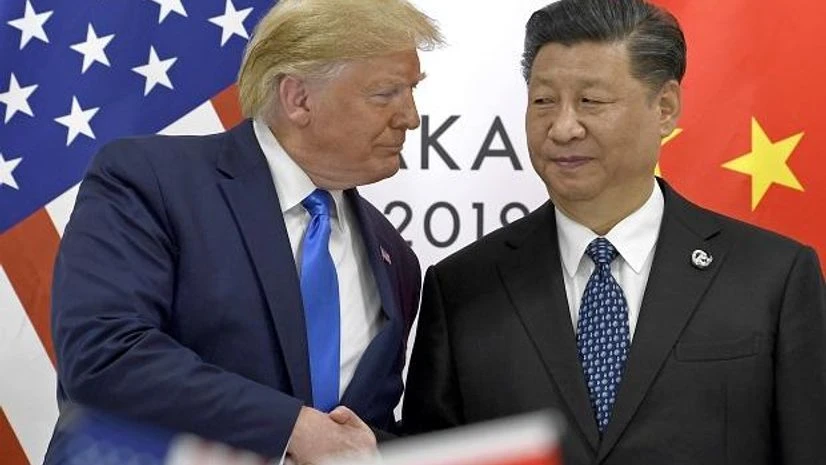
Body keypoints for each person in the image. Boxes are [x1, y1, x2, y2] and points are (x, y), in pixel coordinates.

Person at [402, 0, 826, 464]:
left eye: (591, 102)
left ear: (664, 108)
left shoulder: (772, 277)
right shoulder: (463, 287)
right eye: (544, 101)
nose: (562, 128)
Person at [45, 0, 442, 463]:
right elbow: (104, 354)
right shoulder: (152, 181)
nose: (410, 117)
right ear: (299, 99)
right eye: (385, 93)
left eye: (411, 91)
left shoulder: (395, 257)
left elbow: (360, 433)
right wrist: (293, 428)